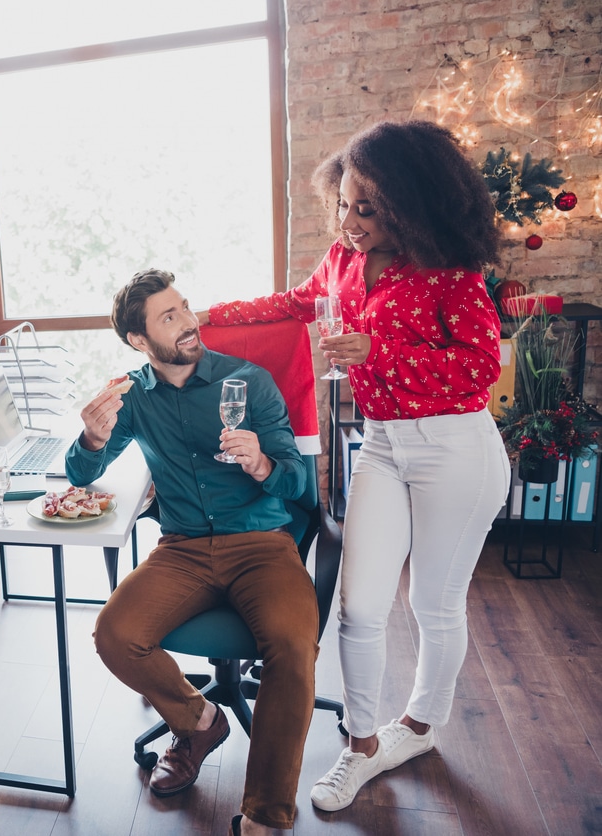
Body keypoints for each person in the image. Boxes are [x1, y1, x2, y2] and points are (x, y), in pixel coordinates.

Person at [201, 120, 508, 811]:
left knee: (434, 604)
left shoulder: (450, 274)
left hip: (455, 447)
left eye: (368, 208)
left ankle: (421, 726)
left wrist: (381, 355)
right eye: (343, 202)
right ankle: (362, 745)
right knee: (358, 606)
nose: (350, 219)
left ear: (410, 202)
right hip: (382, 445)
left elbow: (483, 368)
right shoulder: (342, 262)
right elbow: (292, 304)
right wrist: (204, 316)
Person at [74, 268, 317, 836]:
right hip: (182, 548)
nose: (188, 323)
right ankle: (200, 721)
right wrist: (88, 438)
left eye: (184, 308)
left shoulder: (248, 382)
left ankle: (265, 815)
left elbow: (299, 485)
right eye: (168, 317)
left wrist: (261, 462)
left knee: (292, 644)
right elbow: (82, 474)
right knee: (114, 633)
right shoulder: (132, 396)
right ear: (139, 341)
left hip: (260, 542)